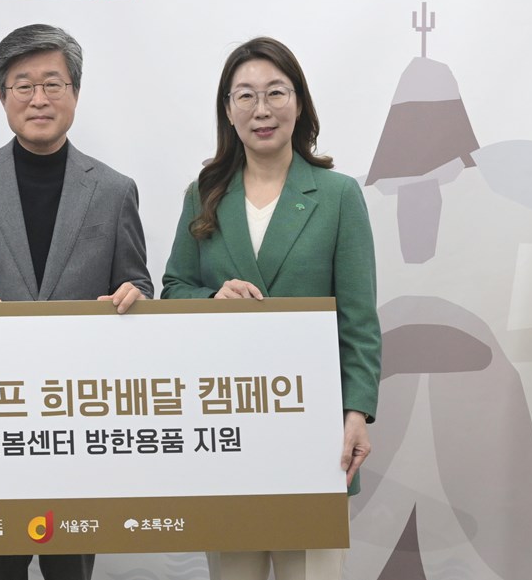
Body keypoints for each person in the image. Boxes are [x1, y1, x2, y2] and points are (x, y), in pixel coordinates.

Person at [0, 23, 153, 580]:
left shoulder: (114, 189)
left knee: (71, 568)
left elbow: (138, 283)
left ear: (75, 92)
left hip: (79, 417)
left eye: (53, 84)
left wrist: (136, 296)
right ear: (1, 95)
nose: (39, 99)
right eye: (22, 85)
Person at [161, 37, 381, 580]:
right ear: (228, 110)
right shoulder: (204, 194)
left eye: (276, 92)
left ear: (299, 103)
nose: (262, 109)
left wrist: (357, 412)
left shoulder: (337, 195)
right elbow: (173, 289)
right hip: (228, 424)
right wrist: (212, 298)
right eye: (246, 96)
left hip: (314, 427)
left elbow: (358, 321)